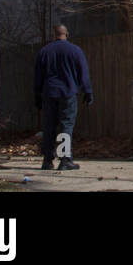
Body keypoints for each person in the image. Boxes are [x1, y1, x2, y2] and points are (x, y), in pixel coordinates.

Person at [34, 24, 93, 171]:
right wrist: (87, 91)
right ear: (67, 34)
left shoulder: (45, 51)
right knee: (66, 125)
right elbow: (83, 73)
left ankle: (47, 160)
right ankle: (64, 159)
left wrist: (37, 95)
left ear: (54, 35)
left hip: (49, 93)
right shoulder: (75, 51)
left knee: (49, 127)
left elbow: (37, 77)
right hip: (68, 93)